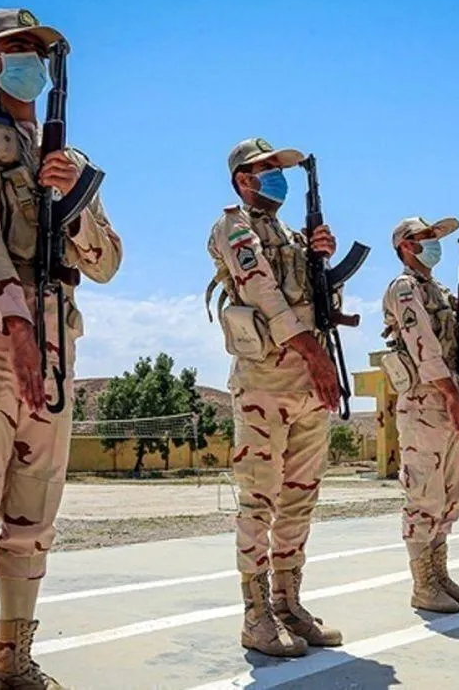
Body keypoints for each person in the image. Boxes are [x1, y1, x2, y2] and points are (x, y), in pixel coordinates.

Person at [0, 8, 121, 690]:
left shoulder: (68, 159)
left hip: (55, 347)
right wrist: (15, 326)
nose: (30, 61)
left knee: (33, 517)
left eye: (36, 51)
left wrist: (76, 200)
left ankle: (15, 656)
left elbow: (106, 263)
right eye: (16, 49)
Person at [205, 137, 342, 657]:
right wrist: (316, 356)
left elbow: (323, 308)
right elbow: (261, 289)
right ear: (243, 180)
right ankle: (256, 614)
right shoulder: (232, 226)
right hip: (265, 383)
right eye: (266, 169)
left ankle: (288, 602)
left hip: (309, 386)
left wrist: (322, 262)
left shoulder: (296, 238)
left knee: (299, 499)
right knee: (259, 501)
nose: (276, 177)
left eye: (278, 169)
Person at [379, 216, 459, 614]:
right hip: (426, 399)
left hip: (450, 394)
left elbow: (453, 342)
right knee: (424, 494)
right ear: (406, 245)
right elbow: (423, 345)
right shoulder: (403, 288)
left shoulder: (438, 291)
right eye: (426, 237)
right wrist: (452, 396)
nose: (434, 242)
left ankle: (440, 576)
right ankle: (423, 585)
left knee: (450, 494)